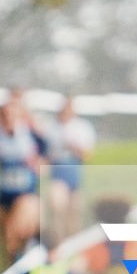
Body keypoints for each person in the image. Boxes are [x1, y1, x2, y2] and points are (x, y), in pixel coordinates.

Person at [0, 96, 47, 260]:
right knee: (7, 244)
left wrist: (39, 163)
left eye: (12, 114)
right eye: (5, 115)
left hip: (25, 194)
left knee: (14, 233)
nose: (8, 118)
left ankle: (29, 263)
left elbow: (46, 155)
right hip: (4, 196)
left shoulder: (31, 135)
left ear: (20, 116)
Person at [45, 97, 96, 240]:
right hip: (57, 177)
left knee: (74, 217)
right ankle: (58, 244)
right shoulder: (51, 128)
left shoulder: (83, 127)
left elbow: (87, 155)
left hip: (75, 178)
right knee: (57, 210)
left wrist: (73, 146)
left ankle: (73, 248)